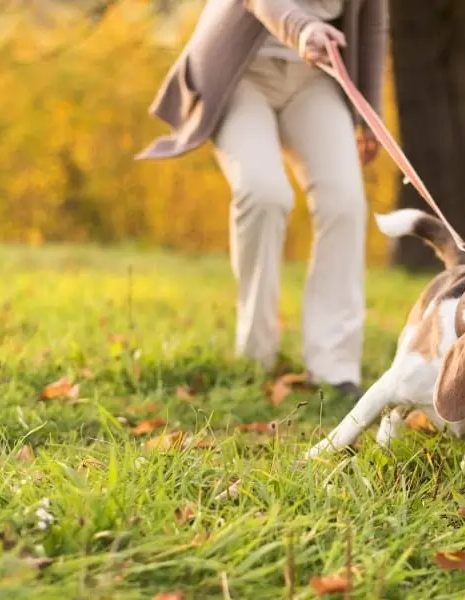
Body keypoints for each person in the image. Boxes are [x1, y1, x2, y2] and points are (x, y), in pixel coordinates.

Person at [136, 0, 388, 400]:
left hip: (315, 77)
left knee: (345, 202)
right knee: (264, 193)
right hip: (239, 72)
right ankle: (256, 354)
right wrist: (302, 28)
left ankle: (334, 368)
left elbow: (372, 21)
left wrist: (369, 110)